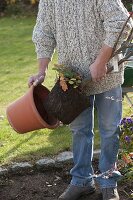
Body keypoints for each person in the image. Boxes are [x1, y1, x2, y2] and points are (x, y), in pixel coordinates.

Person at [28, 0, 132, 199]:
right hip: (72, 80)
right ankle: (82, 181)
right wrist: (41, 71)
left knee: (110, 129)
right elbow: (44, 32)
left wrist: (101, 61)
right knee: (79, 131)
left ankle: (109, 182)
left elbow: (121, 22)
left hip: (107, 76)